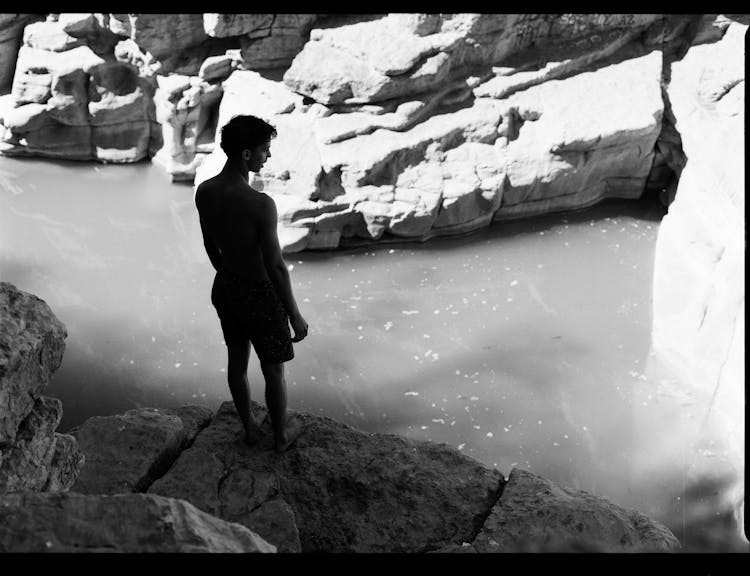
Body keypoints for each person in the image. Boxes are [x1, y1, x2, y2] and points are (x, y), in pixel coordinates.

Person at [195, 115, 308, 453]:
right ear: (246, 154)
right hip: (260, 293)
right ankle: (280, 437)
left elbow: (209, 246)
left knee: (237, 361)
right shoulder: (261, 205)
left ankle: (248, 429)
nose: (267, 157)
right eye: (264, 150)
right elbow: (275, 266)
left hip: (226, 287)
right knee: (273, 371)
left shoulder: (206, 191)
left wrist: (229, 274)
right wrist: (295, 315)